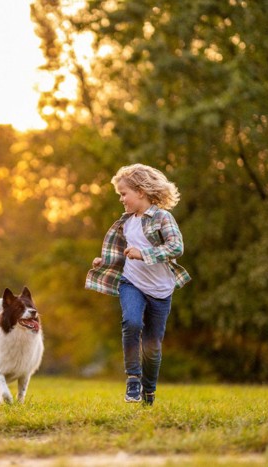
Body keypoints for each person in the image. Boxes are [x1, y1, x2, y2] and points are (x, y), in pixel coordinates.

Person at [85, 163, 190, 406]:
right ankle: (133, 379)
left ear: (140, 191)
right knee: (131, 322)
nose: (121, 199)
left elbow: (177, 248)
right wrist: (106, 260)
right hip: (131, 282)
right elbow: (125, 253)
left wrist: (144, 254)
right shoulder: (126, 222)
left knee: (152, 347)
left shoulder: (163, 218)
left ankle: (149, 393)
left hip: (161, 291)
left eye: (124, 194)